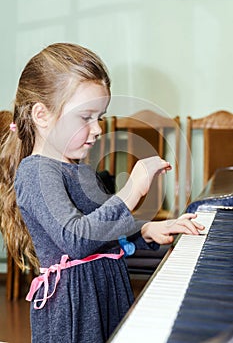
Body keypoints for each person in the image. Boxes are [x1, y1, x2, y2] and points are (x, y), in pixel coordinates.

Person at [0, 43, 204, 343]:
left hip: (104, 292)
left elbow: (102, 229)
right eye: (86, 117)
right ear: (41, 115)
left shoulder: (80, 168)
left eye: (100, 117)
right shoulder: (35, 172)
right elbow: (78, 239)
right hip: (74, 310)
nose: (97, 129)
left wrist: (145, 230)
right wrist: (132, 190)